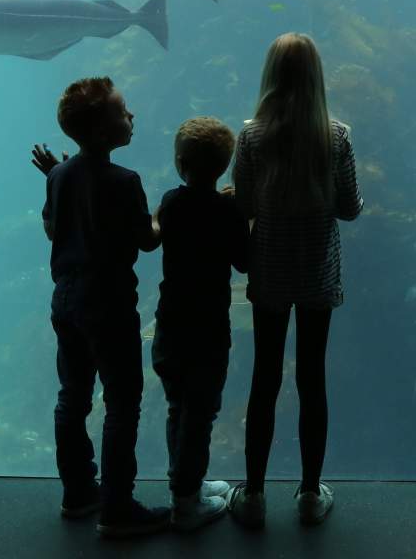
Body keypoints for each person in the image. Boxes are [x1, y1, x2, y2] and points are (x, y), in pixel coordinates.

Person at [227, 33, 363, 528]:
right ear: (316, 78)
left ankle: (254, 494)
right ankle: (309, 492)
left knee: (264, 378)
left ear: (270, 76)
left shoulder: (251, 136)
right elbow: (349, 208)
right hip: (317, 273)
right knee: (312, 378)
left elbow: (243, 205)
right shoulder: (336, 136)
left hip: (269, 270)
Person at [31, 77, 168, 538]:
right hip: (109, 304)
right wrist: (164, 214)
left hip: (66, 300)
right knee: (122, 403)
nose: (132, 115)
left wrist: (59, 180)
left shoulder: (59, 175)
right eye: (122, 110)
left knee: (72, 395)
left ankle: (78, 492)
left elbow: (53, 230)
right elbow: (147, 241)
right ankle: (117, 507)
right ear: (104, 130)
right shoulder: (124, 181)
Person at [150, 116, 249, 530]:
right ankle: (187, 502)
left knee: (179, 407)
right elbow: (243, 262)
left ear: (180, 162)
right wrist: (243, 214)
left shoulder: (171, 202)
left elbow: (168, 224)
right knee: (201, 411)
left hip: (171, 323)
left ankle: (184, 485)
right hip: (208, 328)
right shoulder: (227, 211)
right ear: (225, 166)